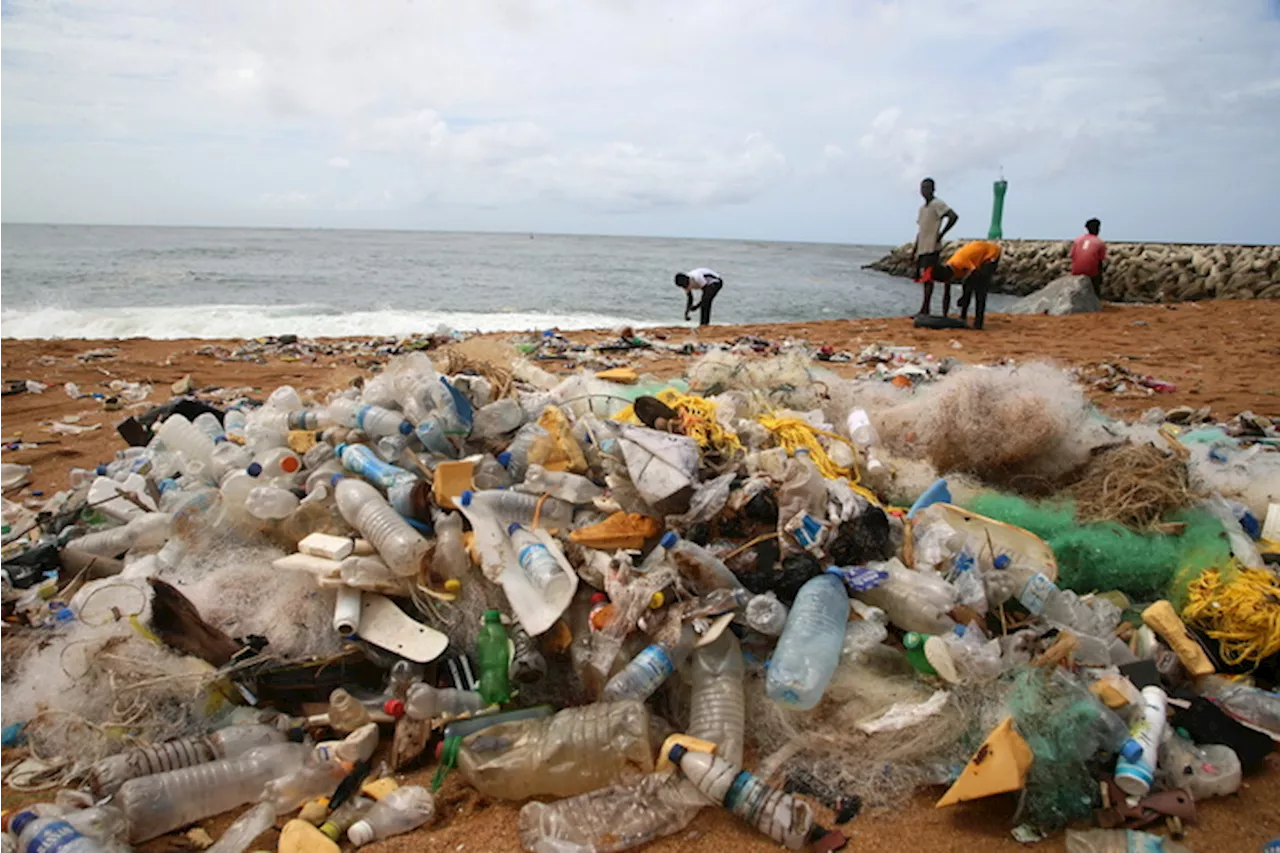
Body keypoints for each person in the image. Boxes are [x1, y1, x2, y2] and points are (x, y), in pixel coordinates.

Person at [912, 177, 959, 316]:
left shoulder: (937, 204)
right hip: (923, 247)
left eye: (927, 188)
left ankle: (925, 309)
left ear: (933, 189)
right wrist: (915, 249)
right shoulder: (922, 209)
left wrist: (941, 234)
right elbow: (921, 230)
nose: (924, 191)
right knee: (924, 278)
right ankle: (925, 308)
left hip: (932, 247)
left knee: (928, 277)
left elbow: (953, 216)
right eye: (922, 188)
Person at [934, 240, 1001, 330]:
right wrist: (944, 317)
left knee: (980, 287)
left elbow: (974, 274)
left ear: (948, 275)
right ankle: (963, 317)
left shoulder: (960, 262)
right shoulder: (948, 268)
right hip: (976, 255)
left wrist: (963, 297)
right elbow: (947, 295)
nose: (947, 281)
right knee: (967, 287)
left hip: (991, 253)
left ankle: (978, 323)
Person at [1071, 218, 1107, 297]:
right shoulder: (1100, 242)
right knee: (1097, 274)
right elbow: (1100, 261)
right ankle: (1096, 296)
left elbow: (1073, 256)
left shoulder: (1077, 240)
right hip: (1091, 273)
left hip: (1076, 271)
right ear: (1098, 229)